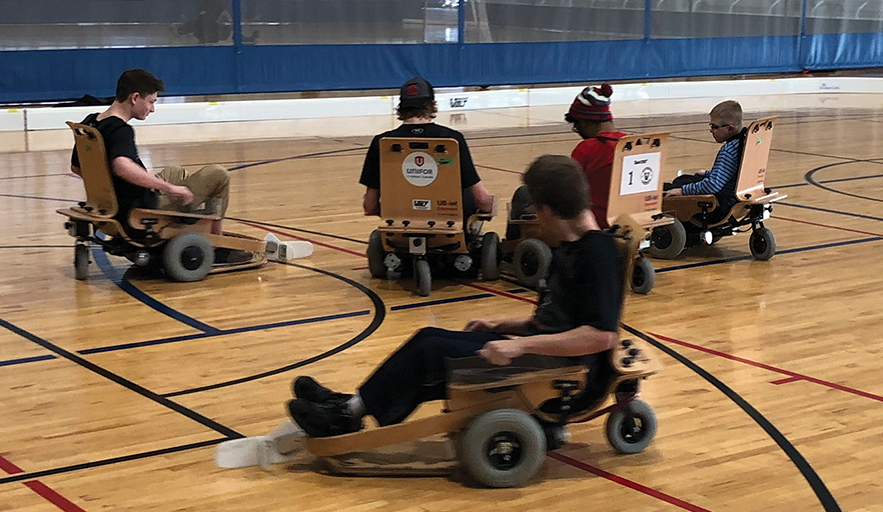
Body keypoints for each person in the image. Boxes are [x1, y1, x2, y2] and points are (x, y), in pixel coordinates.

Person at [289, 155, 624, 437]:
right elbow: (558, 320)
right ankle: (351, 405)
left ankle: (348, 414)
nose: (536, 220)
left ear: (547, 210)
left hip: (562, 371)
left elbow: (601, 335)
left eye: (535, 211)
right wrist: (502, 324)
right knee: (430, 337)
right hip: (544, 353)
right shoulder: (571, 248)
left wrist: (519, 344)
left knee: (432, 350)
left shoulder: (597, 254)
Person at [70, 69, 232, 238]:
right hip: (139, 209)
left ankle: (188, 217)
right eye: (151, 102)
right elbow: (121, 166)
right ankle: (216, 239)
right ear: (134, 98)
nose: (152, 109)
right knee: (219, 175)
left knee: (175, 171)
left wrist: (106, 190)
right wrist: (169, 188)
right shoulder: (120, 130)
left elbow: (75, 167)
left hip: (114, 203)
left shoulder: (91, 122)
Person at [358, 77, 494, 222]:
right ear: (432, 104)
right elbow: (481, 200)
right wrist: (489, 207)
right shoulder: (451, 139)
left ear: (401, 107)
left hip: (399, 221)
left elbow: (370, 206)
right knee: (465, 190)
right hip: (448, 221)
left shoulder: (382, 142)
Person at [664, 100, 746, 224]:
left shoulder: (728, 151)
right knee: (686, 178)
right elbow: (732, 173)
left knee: (671, 188)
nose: (711, 131)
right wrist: (708, 173)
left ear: (729, 129)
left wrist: (682, 191)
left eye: (714, 127)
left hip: (720, 205)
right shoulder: (744, 143)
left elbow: (713, 185)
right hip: (739, 198)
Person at [566, 83, 627, 230]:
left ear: (586, 122)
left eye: (577, 126)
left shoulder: (587, 149)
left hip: (595, 223)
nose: (577, 131)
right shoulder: (636, 144)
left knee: (524, 195)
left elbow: (568, 193)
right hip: (632, 220)